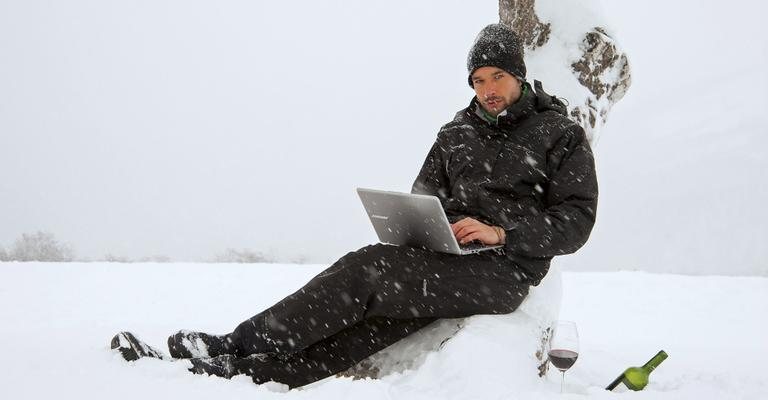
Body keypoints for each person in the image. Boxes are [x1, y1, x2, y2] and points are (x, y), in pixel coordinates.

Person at [111, 23, 598, 389]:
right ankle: (260, 374)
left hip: (506, 270)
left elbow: (577, 220)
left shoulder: (558, 133)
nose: (487, 90)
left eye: (496, 77)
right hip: (449, 256)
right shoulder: (456, 132)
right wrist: (435, 225)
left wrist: (502, 233)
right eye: (476, 81)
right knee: (382, 319)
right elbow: (425, 192)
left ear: (518, 75)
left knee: (368, 269)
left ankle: (234, 346)